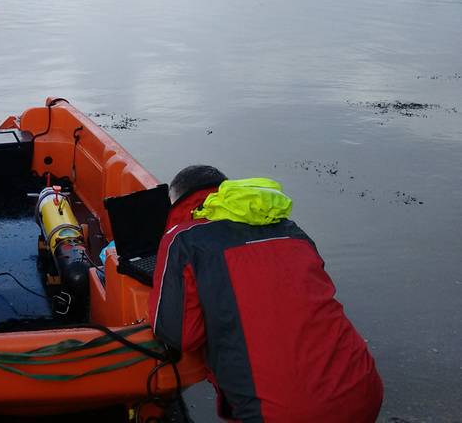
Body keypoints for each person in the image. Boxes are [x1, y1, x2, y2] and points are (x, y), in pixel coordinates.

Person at [148, 165, 383, 422]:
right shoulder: (292, 231)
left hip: (282, 413)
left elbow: (180, 335)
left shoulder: (182, 239)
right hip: (364, 391)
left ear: (178, 202)